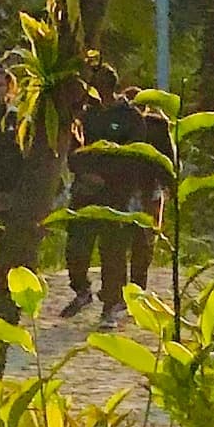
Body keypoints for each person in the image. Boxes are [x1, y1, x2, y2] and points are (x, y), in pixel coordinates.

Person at [63, 71, 160, 314]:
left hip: (116, 193)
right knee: (76, 247)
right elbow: (73, 151)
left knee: (112, 251)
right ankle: (81, 290)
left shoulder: (130, 117)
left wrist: (106, 178)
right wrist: (85, 174)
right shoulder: (85, 116)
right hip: (85, 191)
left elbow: (133, 155)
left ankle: (111, 303)